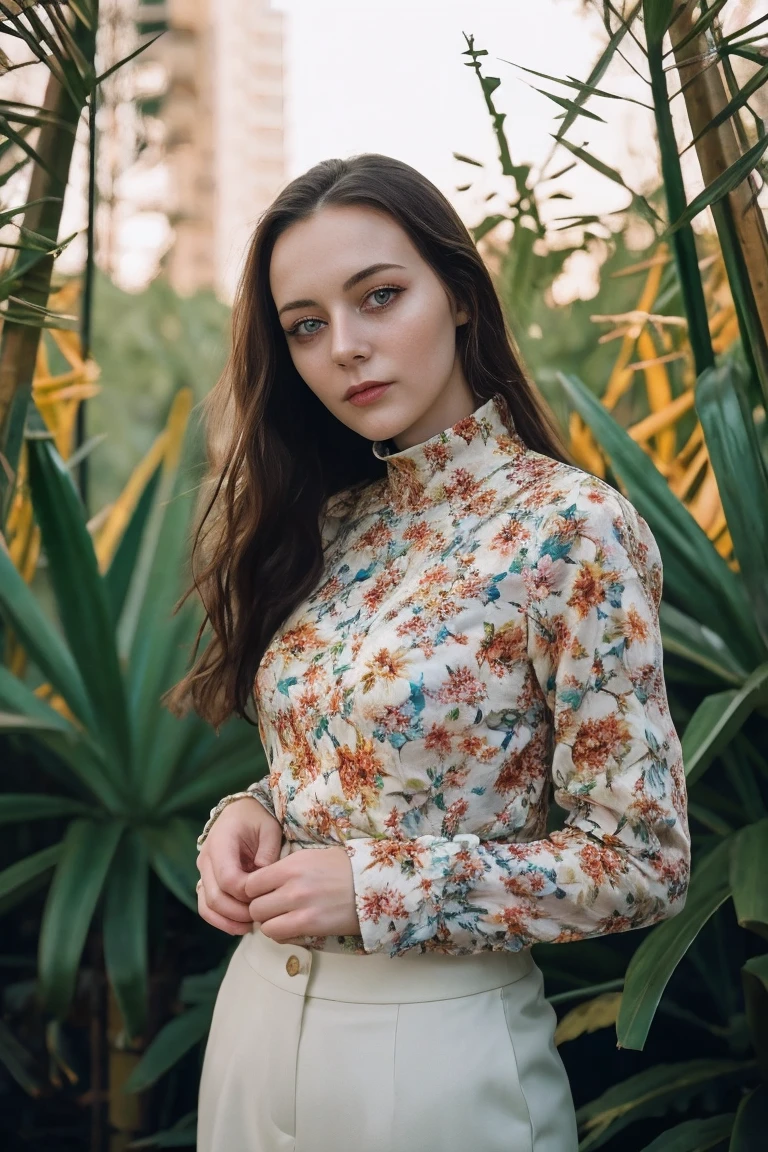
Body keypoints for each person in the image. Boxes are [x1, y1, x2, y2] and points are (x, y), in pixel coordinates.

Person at [166, 153, 691, 1152]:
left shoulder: (569, 530)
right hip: (253, 1032)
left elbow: (642, 860)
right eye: (307, 326)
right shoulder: (335, 524)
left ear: (457, 293)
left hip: (434, 1061)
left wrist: (375, 889)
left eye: (380, 296)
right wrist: (251, 812)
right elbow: (358, 762)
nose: (347, 350)